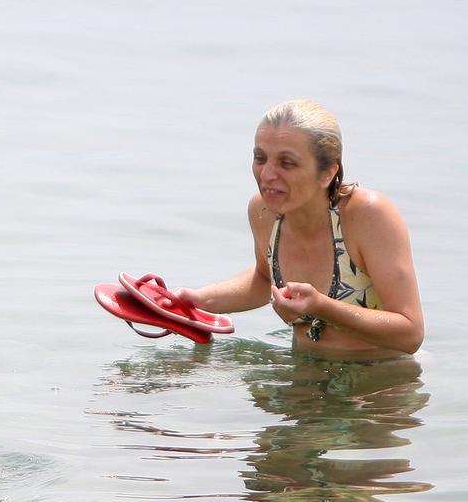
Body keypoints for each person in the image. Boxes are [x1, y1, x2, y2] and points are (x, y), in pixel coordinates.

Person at [174, 100, 423, 358]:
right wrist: (199, 300)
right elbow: (263, 278)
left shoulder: (368, 215)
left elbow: (411, 334)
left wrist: (322, 307)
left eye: (287, 163)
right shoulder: (264, 212)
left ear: (327, 172)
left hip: (381, 384)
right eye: (260, 158)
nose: (267, 174)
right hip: (302, 374)